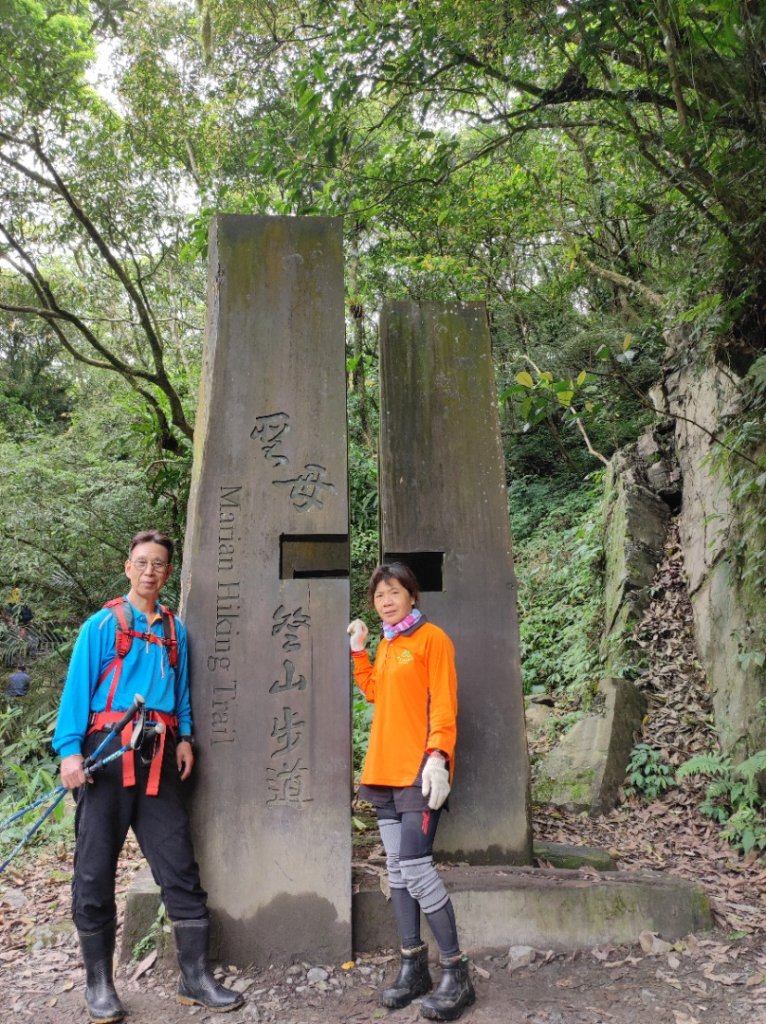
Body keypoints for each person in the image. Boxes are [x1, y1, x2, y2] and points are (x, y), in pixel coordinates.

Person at [53, 529, 243, 1023]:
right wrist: (69, 752)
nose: (150, 571)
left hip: (158, 753)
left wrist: (185, 737)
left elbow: (179, 693)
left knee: (178, 862)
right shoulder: (101, 625)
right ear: (128, 567)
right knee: (95, 866)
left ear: (167, 571)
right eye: (142, 562)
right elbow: (76, 690)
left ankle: (194, 977)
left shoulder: (175, 632)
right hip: (106, 753)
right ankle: (99, 983)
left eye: (159, 563)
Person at [347, 562, 475, 1022]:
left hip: (420, 772)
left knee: (418, 869)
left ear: (411, 596)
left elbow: (444, 700)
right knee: (397, 871)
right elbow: (375, 692)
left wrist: (439, 755)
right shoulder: (388, 642)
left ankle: (456, 973)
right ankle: (412, 966)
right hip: (384, 771)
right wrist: (360, 652)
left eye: (394, 591)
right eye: (379, 594)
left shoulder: (432, 639)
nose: (385, 599)